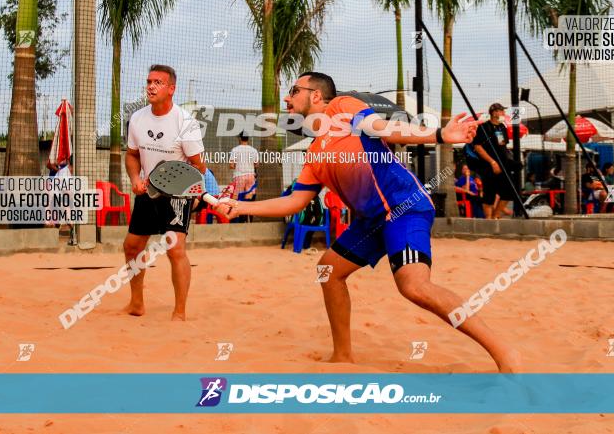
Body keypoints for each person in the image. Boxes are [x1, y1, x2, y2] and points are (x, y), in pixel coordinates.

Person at [216, 72, 521, 373]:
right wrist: (240, 206)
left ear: (317, 96)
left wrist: (439, 135)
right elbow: (294, 202)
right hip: (371, 221)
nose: (286, 98)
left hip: (403, 207)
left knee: (414, 287)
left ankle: (505, 354)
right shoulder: (315, 153)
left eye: (294, 91)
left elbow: (383, 128)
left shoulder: (342, 106)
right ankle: (342, 355)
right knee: (329, 271)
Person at [123, 64, 206, 320]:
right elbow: (132, 155)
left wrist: (189, 192)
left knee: (175, 249)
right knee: (132, 246)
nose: (151, 86)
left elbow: (198, 165)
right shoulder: (137, 118)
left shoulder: (185, 123)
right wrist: (136, 178)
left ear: (172, 89)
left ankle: (179, 312)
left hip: (177, 193)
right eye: (149, 81)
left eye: (158, 82)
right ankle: (136, 303)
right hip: (148, 191)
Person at [473, 103, 517, 219]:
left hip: (502, 164)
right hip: (488, 166)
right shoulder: (484, 128)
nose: (504, 113)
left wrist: (508, 161)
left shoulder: (502, 127)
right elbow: (477, 147)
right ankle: (488, 220)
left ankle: (495, 217)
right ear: (494, 112)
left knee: (509, 191)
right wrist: (492, 162)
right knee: (489, 194)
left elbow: (502, 146)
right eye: (502, 111)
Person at [229, 133, 259, 199]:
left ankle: (237, 209)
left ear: (240, 138)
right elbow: (256, 164)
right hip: (251, 176)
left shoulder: (235, 150)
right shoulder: (253, 150)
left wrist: (236, 166)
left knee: (237, 197)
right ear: (248, 139)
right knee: (249, 197)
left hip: (239, 176)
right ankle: (249, 209)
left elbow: (231, 165)